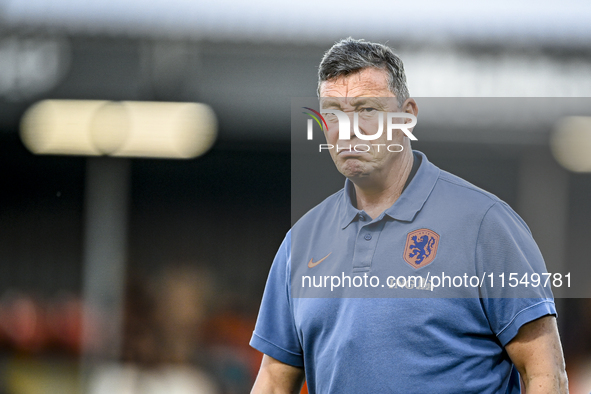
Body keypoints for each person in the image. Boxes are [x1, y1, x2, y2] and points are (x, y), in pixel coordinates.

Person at [250, 38, 568, 393]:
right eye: (333, 113)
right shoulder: (302, 240)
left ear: (407, 116)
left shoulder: (484, 225)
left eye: (366, 110)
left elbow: (545, 373)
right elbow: (275, 381)